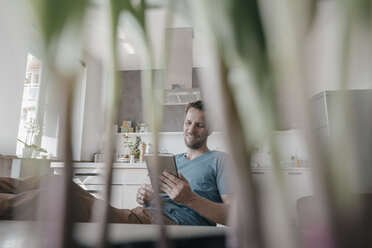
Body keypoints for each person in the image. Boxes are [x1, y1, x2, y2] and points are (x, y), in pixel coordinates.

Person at [0, 100, 231, 225]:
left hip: (167, 225)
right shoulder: (173, 161)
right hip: (140, 214)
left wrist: (190, 199)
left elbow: (236, 217)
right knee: (54, 181)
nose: (191, 129)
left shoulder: (220, 160)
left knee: (60, 198)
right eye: (188, 122)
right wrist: (146, 197)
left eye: (199, 125)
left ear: (209, 129)